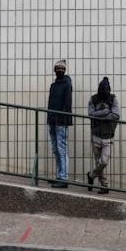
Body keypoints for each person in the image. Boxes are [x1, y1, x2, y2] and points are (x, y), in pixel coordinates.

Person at [86, 77, 120, 195]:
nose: (104, 92)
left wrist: (100, 117)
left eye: (106, 89)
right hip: (96, 134)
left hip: (108, 136)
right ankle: (104, 185)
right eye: (102, 90)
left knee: (103, 162)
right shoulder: (93, 99)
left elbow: (116, 115)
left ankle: (91, 175)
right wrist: (106, 112)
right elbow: (91, 114)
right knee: (98, 162)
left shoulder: (113, 99)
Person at [47, 60, 73, 188]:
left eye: (62, 69)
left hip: (60, 121)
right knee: (56, 149)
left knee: (62, 150)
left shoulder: (67, 84)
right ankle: (59, 175)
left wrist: (62, 118)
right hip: (52, 120)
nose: (60, 71)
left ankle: (64, 178)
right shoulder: (54, 85)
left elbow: (67, 103)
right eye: (58, 69)